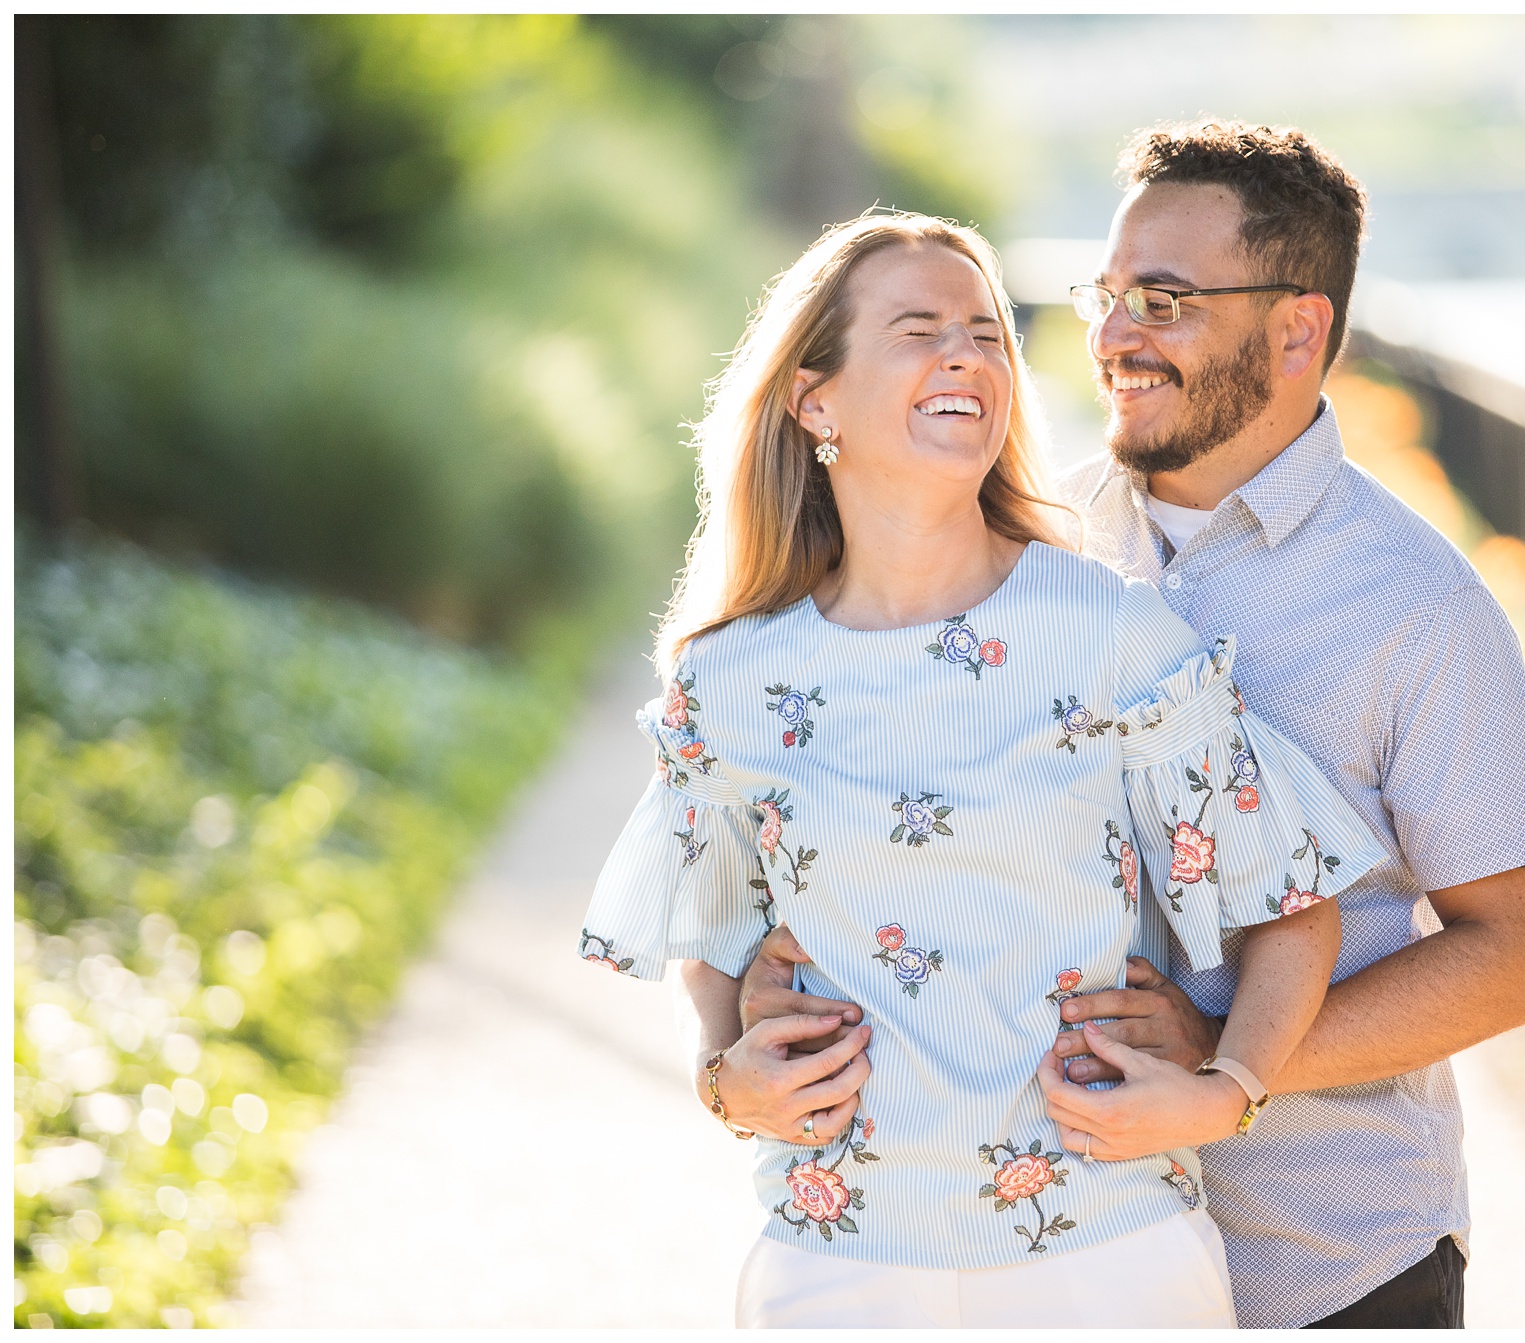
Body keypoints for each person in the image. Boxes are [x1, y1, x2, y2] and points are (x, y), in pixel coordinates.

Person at [734, 122, 1525, 1329]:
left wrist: (1222, 1056)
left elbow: (1518, 954)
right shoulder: (1032, 546)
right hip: (1056, 1268)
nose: (1112, 336)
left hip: (1326, 1262)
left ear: (1296, 331)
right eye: (1108, 293)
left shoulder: (1418, 605)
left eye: (1166, 300)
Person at [575, 210, 1392, 1328]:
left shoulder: (1113, 635)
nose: (964, 354)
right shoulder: (730, 682)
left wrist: (1224, 1092)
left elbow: (1290, 904)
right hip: (838, 1259)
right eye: (918, 329)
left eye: (985, 332)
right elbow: (707, 945)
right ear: (815, 398)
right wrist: (724, 1076)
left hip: (1108, 1252)